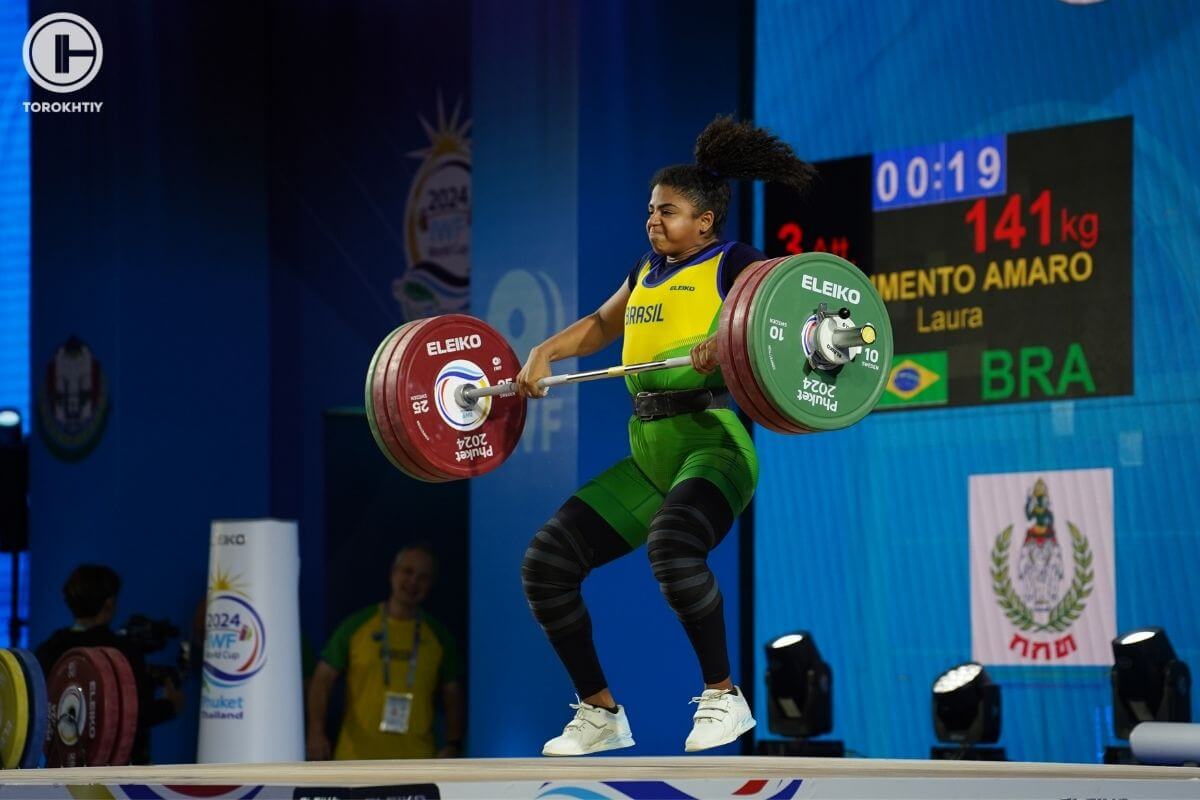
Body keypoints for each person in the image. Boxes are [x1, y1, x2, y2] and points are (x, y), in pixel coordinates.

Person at [515, 116, 815, 755]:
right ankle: (601, 716)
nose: (653, 220)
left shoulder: (735, 262)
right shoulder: (647, 270)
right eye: (651, 210)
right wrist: (544, 350)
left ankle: (723, 696)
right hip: (652, 452)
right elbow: (600, 325)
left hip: (714, 441)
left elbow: (779, 324)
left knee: (673, 549)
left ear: (705, 220)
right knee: (547, 566)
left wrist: (728, 343)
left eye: (668, 211)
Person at [306, 543, 465, 760]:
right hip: (356, 760)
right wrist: (315, 732)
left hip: (417, 762)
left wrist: (453, 744)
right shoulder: (357, 626)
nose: (413, 582)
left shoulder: (439, 636)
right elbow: (322, 679)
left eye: (423, 577)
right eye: (407, 572)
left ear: (431, 585)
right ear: (393, 573)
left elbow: (452, 694)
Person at [34, 564, 184, 765]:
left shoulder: (47, 650)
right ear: (109, 604)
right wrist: (171, 706)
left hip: (61, 769)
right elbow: (133, 715)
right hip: (117, 777)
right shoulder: (121, 653)